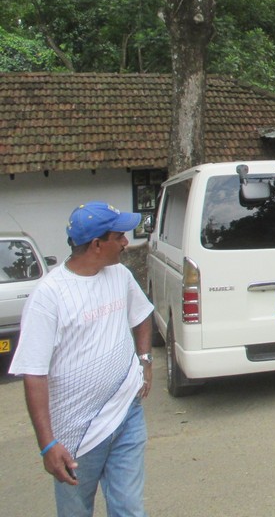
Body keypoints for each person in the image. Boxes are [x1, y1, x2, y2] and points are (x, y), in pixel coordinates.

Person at [9, 201, 155, 517]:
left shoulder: (120, 275)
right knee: (75, 512)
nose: (126, 242)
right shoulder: (48, 297)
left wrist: (144, 360)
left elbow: (142, 314)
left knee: (129, 509)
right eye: (119, 236)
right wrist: (48, 445)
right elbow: (34, 374)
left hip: (126, 413)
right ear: (96, 244)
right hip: (76, 433)